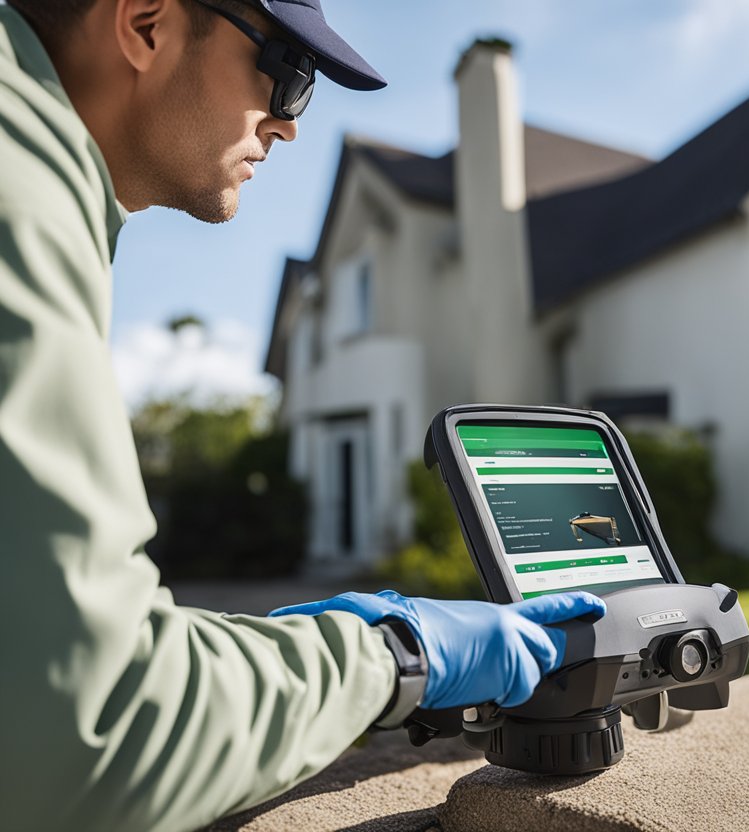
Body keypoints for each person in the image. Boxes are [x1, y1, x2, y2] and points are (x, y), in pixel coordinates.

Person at [0, 1, 605, 830]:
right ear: (145, 23)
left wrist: (273, 652)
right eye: (288, 71)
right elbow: (95, 731)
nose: (288, 127)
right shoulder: (17, 196)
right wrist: (398, 655)